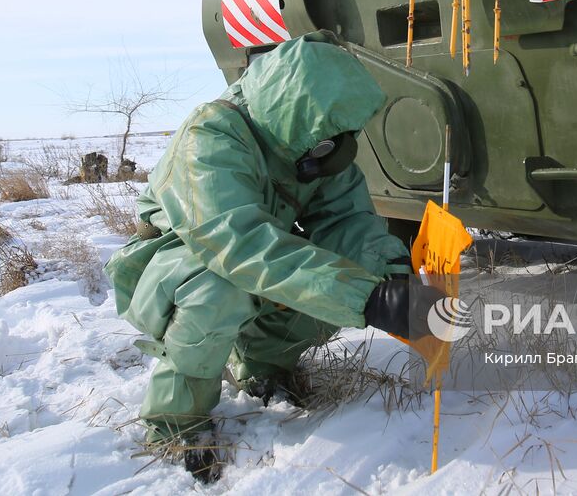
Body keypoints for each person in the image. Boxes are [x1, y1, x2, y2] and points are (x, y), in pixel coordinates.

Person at [104, 31, 445, 483]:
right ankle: (176, 423)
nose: (335, 148)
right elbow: (238, 245)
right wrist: (368, 299)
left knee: (348, 273)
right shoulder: (209, 137)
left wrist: (393, 276)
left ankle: (265, 368)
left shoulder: (315, 142)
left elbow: (352, 223)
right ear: (295, 112)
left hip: (257, 257)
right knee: (220, 289)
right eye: (326, 140)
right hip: (177, 267)